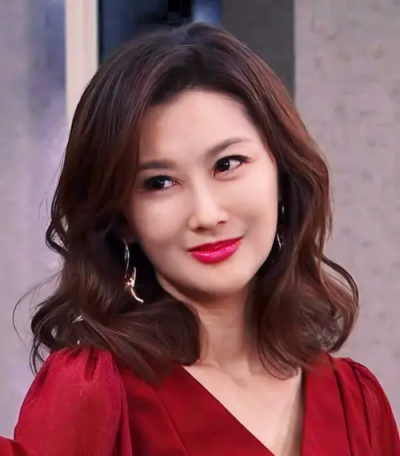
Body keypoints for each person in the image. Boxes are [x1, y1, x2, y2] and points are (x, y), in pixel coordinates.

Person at [2, 22, 399, 456]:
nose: (206, 215)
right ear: (122, 218)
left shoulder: (358, 403)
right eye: (159, 183)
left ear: (282, 174)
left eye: (227, 164)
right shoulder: (94, 392)